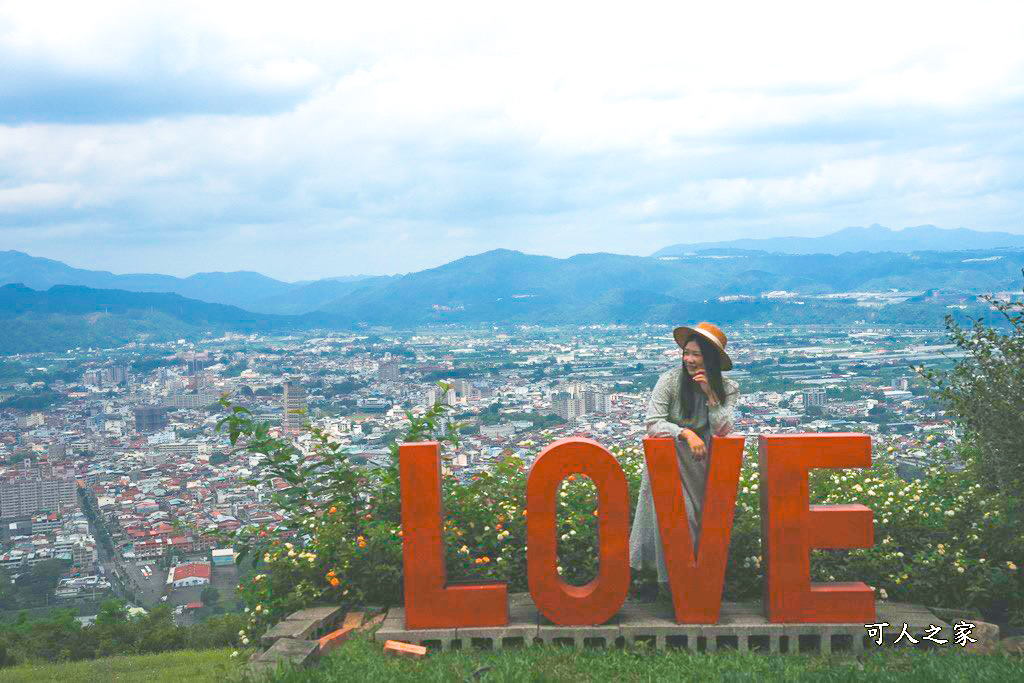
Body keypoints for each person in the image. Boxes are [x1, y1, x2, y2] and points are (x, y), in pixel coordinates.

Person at [629, 321, 740, 596]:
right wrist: (685, 433)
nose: (689, 359)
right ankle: (677, 588)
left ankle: (702, 586)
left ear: (710, 359)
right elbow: (653, 423)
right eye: (686, 352)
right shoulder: (669, 381)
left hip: (704, 467)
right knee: (681, 521)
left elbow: (723, 429)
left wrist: (711, 396)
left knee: (705, 525)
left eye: (696, 354)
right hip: (672, 462)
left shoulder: (729, 388)